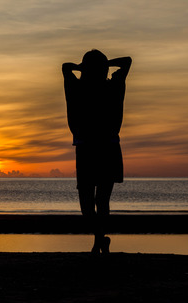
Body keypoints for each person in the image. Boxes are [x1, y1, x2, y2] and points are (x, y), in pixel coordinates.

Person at [62, 49, 132, 254]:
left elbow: (127, 61)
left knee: (102, 200)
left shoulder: (113, 86)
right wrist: (96, 66)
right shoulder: (77, 88)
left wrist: (92, 66)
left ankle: (99, 241)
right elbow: (65, 68)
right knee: (86, 205)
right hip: (86, 148)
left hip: (107, 147)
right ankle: (100, 238)